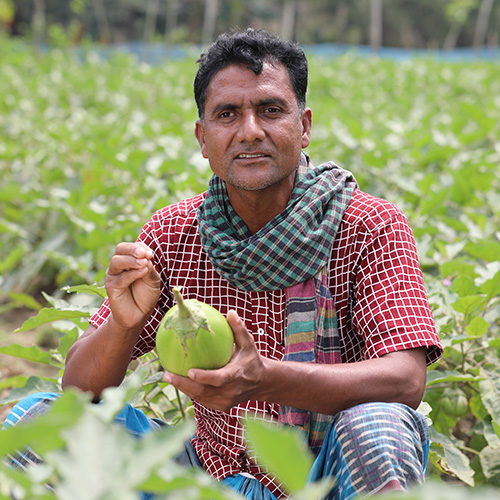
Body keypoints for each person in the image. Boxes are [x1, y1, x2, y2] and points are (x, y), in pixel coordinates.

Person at [4, 28, 442, 499]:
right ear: (203, 137)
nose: (250, 130)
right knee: (37, 419)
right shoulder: (175, 233)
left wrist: (267, 380)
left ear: (305, 125)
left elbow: (404, 381)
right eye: (227, 114)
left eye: (271, 110)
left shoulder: (368, 225)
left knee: (378, 424)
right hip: (207, 477)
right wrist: (124, 325)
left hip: (325, 477)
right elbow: (78, 386)